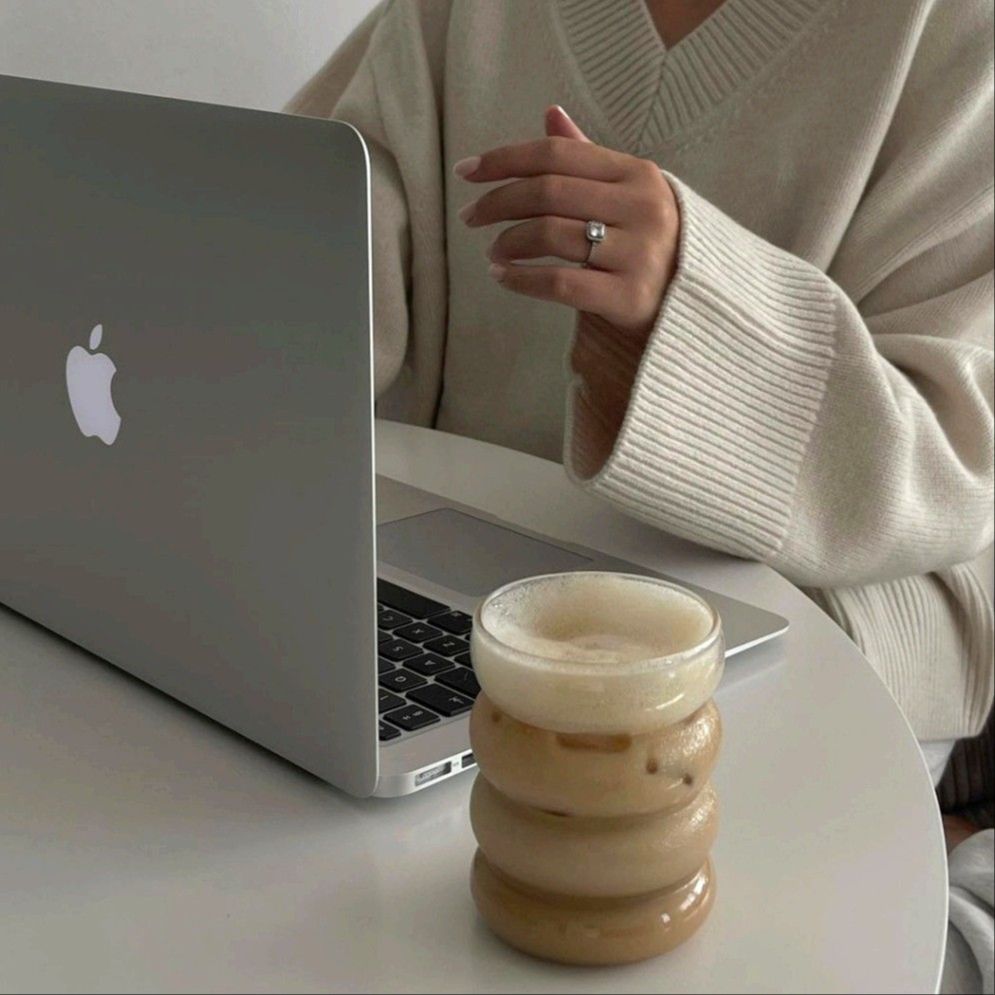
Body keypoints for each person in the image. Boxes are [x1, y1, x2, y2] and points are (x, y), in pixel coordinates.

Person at [285, 1, 994, 989]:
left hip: (824, 628)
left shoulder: (956, 34)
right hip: (467, 584)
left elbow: (951, 460)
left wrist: (692, 300)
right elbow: (310, 216)